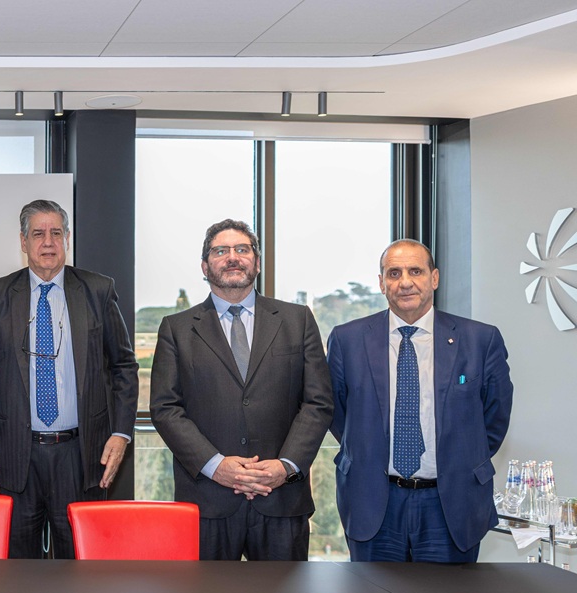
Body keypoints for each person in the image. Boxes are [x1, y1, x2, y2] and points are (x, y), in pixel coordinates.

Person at [150, 219, 332, 561]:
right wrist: (215, 465)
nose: (232, 257)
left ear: (257, 262)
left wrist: (285, 466)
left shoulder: (298, 320)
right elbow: (165, 408)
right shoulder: (176, 329)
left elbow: (318, 403)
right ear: (205, 267)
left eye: (242, 249)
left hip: (281, 499)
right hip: (207, 500)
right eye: (221, 251)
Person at [327, 239, 513, 562]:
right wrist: (370, 450)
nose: (405, 282)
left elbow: (495, 417)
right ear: (381, 283)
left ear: (434, 278)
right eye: (394, 273)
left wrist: (460, 457)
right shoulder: (347, 340)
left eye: (416, 271)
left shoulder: (481, 340)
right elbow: (336, 413)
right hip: (373, 500)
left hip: (451, 503)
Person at [0, 199, 138, 559]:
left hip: (81, 455)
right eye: (38, 234)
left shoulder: (97, 290)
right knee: (16, 571)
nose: (48, 242)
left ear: (67, 238)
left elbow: (124, 366)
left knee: (80, 568)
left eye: (56, 233)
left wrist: (121, 433)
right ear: (23, 242)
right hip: (13, 456)